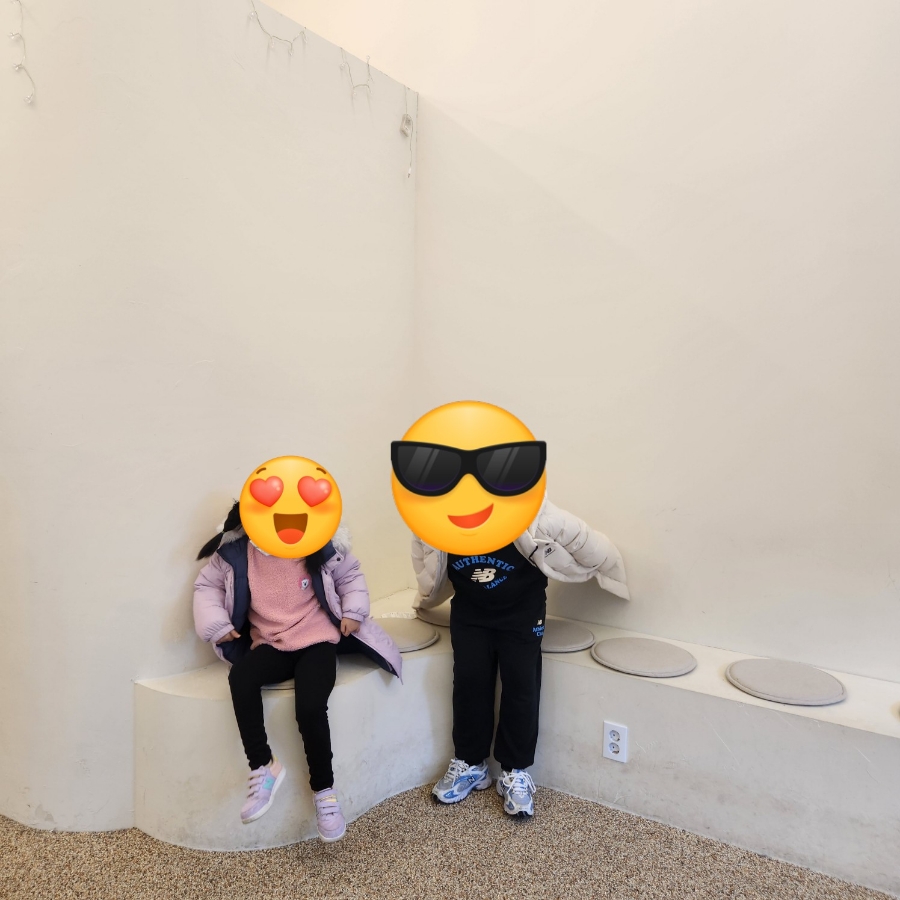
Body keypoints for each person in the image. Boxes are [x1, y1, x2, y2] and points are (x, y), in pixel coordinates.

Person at [193, 501, 402, 842]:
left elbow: (349, 575)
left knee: (310, 708)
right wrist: (217, 624)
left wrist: (353, 612)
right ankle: (263, 766)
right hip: (271, 643)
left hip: (317, 641)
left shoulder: (317, 543)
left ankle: (325, 793)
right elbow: (207, 587)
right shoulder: (238, 552)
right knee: (241, 678)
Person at [413, 497, 628, 818]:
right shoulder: (438, 514)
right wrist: (425, 596)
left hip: (522, 613)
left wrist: (613, 577)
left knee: (521, 686)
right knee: (469, 683)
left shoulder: (536, 512)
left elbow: (586, 542)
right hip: (470, 613)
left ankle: (515, 771)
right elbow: (424, 558)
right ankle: (471, 764)